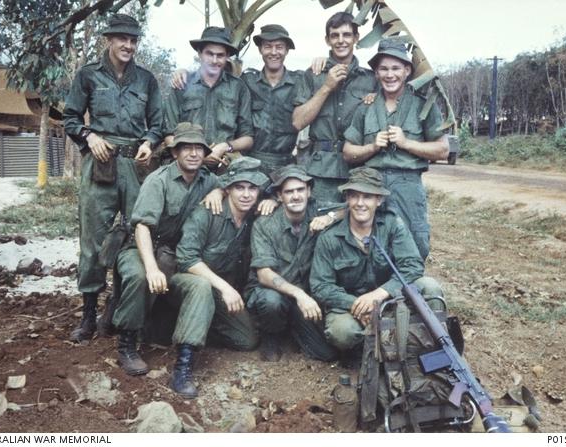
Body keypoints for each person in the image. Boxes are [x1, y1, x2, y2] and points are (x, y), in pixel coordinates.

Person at [63, 13, 163, 342]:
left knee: (138, 236)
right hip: (100, 162)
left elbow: (157, 122)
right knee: (92, 241)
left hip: (135, 164)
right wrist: (90, 137)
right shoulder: (89, 75)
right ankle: (88, 315)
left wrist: (149, 141)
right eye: (122, 39)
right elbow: (71, 117)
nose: (128, 45)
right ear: (109, 40)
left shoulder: (146, 80)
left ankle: (119, 307)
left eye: (133, 40)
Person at [111, 123, 222, 376]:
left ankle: (185, 355)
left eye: (199, 149)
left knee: (199, 286)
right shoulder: (158, 180)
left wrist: (219, 190)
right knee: (140, 277)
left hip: (176, 255)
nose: (194, 154)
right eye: (187, 149)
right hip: (141, 247)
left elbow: (230, 183)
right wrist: (151, 268)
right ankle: (127, 343)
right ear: (174, 153)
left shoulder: (208, 179)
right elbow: (142, 227)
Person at [309, 167, 444, 357]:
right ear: (347, 199)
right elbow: (321, 286)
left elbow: (413, 266)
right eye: (354, 196)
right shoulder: (330, 237)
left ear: (378, 200)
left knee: (430, 286)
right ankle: (375, 349)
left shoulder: (392, 225)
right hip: (351, 306)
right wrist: (357, 304)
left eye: (367, 197)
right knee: (342, 332)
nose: (360, 203)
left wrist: (380, 294)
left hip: (391, 299)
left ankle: (432, 346)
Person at [168, 157, 267, 398]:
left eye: (252, 188)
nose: (246, 194)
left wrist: (272, 201)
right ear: (228, 188)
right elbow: (187, 259)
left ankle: (195, 325)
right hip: (187, 284)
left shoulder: (253, 217)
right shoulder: (207, 212)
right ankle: (183, 367)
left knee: (247, 340)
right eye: (239, 187)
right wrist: (225, 288)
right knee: (201, 287)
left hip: (217, 292)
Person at [343, 38, 449, 260]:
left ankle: (412, 290)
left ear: (407, 70)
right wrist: (372, 147)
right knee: (370, 245)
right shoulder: (366, 107)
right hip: (372, 184)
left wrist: (406, 143)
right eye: (383, 69)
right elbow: (348, 151)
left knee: (415, 242)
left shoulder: (423, 105)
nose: (390, 75)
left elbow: (443, 150)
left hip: (407, 184)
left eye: (395, 68)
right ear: (376, 74)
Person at [245, 165, 341, 362]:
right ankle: (271, 336)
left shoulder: (317, 209)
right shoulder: (265, 224)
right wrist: (299, 295)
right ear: (279, 196)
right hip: (272, 290)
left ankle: (295, 328)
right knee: (271, 302)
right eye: (289, 192)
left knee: (325, 353)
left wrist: (329, 217)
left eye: (300, 190)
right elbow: (264, 274)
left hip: (303, 292)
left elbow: (349, 209)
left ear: (309, 191)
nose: (296, 196)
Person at [292, 12, 376, 203]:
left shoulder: (371, 80)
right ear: (327, 40)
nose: (341, 41)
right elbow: (298, 122)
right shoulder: (313, 75)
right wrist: (326, 86)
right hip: (321, 171)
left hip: (359, 169)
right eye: (334, 35)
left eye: (346, 35)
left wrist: (376, 98)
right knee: (320, 224)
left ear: (356, 38)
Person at [163, 26, 253, 170]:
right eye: (209, 54)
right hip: (187, 167)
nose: (214, 60)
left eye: (220, 55)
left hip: (225, 165)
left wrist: (225, 147)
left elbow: (248, 138)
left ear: (227, 56)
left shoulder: (238, 88)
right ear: (199, 53)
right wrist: (198, 156)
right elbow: (168, 134)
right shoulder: (182, 83)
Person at [240, 25, 302, 175]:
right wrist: (182, 73)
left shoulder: (300, 81)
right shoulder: (247, 81)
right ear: (260, 49)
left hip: (286, 164)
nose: (274, 52)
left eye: (279, 47)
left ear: (287, 50)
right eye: (268, 47)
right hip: (252, 163)